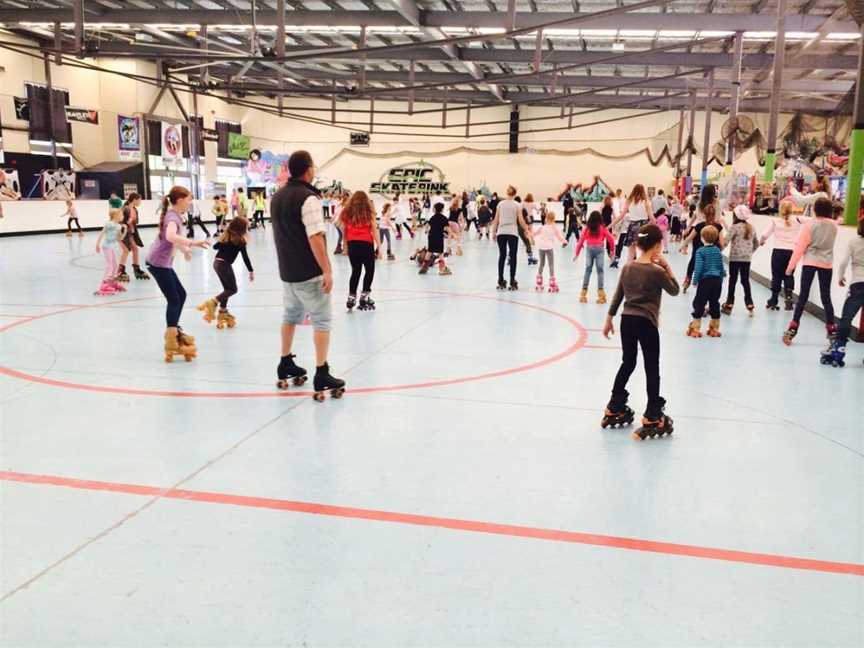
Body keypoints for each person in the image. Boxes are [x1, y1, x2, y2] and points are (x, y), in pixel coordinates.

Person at [271, 150, 345, 399]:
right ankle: (322, 372)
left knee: (290, 316)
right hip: (308, 273)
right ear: (308, 169)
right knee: (322, 320)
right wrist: (327, 270)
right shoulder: (309, 198)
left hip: (287, 272)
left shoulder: (277, 197)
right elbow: (315, 237)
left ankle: (285, 363)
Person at [601, 224, 679, 440]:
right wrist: (667, 266)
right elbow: (675, 290)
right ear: (657, 246)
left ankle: (614, 405)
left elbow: (618, 295)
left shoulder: (628, 267)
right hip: (647, 323)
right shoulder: (657, 271)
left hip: (627, 320)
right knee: (651, 367)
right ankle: (653, 414)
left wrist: (609, 319)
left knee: (628, 362)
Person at [146, 186, 210, 362]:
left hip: (162, 263)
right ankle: (171, 339)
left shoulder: (174, 216)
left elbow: (173, 240)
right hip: (158, 263)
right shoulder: (173, 217)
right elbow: (170, 236)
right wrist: (193, 243)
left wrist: (185, 250)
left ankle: (174, 330)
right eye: (189, 199)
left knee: (181, 294)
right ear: (180, 200)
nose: (190, 203)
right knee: (174, 299)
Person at [783, 197, 839, 345]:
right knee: (826, 297)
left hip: (810, 262)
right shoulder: (834, 226)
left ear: (815, 209)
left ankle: (793, 328)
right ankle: (832, 329)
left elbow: (800, 248)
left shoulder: (809, 225)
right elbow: (834, 222)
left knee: (803, 296)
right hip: (826, 264)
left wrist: (790, 267)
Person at [197, 217, 254, 330]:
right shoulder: (240, 241)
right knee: (233, 289)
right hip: (224, 265)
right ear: (241, 228)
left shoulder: (227, 237)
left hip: (217, 263)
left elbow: (215, 247)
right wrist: (251, 270)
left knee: (227, 289)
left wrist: (223, 239)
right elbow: (245, 257)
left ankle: (222, 312)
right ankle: (212, 302)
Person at [821, 218, 864, 367]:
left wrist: (841, 277)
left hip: (858, 284)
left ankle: (839, 349)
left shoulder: (854, 242)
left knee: (846, 318)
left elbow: (843, 262)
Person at [342, 190, 381, 311]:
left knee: (355, 271)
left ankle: (351, 297)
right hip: (366, 244)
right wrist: (379, 246)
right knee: (370, 270)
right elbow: (374, 230)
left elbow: (345, 231)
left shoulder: (346, 212)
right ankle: (364, 295)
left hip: (353, 244)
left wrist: (345, 246)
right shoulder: (368, 212)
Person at [760, 199, 802, 311]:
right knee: (789, 275)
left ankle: (774, 300)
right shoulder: (798, 221)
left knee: (776, 275)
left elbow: (764, 234)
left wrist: (761, 241)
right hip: (792, 252)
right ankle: (788, 298)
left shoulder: (776, 221)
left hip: (778, 252)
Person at [686, 225, 725, 338]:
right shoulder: (717, 250)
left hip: (705, 280)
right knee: (714, 302)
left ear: (702, 238)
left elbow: (698, 267)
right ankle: (714, 328)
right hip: (717, 280)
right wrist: (721, 276)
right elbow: (721, 266)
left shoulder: (700, 251)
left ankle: (695, 327)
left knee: (699, 302)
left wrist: (694, 280)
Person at [722, 206, 761, 316]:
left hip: (735, 258)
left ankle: (729, 304)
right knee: (745, 281)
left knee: (732, 281)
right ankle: (750, 304)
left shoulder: (734, 227)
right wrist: (749, 252)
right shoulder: (751, 227)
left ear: (735, 215)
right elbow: (756, 243)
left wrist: (718, 250)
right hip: (746, 259)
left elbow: (725, 241)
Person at [491, 185, 532, 290]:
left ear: (507, 192)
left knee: (502, 256)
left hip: (501, 232)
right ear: (515, 193)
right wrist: (527, 230)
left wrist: (493, 232)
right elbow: (521, 220)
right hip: (512, 232)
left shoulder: (500, 204)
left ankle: (500, 280)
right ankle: (512, 281)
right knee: (513, 256)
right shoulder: (517, 205)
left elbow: (496, 219)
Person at [680, 202, 726, 292]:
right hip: (712, 253)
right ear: (715, 214)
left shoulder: (699, 226)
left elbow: (689, 238)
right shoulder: (718, 227)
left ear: (704, 214)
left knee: (693, 263)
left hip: (698, 250)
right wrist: (718, 249)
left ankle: (687, 280)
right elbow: (722, 243)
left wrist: (682, 246)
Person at [574, 210, 616, 304]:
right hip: (599, 250)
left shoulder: (587, 229)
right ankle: (601, 295)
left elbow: (581, 241)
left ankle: (583, 294)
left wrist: (577, 253)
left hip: (589, 250)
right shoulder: (602, 228)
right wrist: (612, 251)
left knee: (588, 270)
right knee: (600, 271)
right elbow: (611, 240)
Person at [611, 184, 654, 266]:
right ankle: (643, 271)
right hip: (644, 227)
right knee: (644, 252)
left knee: (630, 254)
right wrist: (650, 225)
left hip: (633, 226)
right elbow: (652, 219)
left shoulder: (629, 201)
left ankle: (628, 271)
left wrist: (610, 225)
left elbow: (621, 216)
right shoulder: (646, 202)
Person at [94, 208, 127, 296]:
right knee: (110, 265)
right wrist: (97, 244)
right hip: (106, 247)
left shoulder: (118, 226)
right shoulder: (109, 224)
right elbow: (102, 233)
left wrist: (125, 230)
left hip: (111, 247)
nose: (122, 217)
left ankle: (111, 282)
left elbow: (120, 238)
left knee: (115, 265)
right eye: (121, 215)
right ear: (116, 216)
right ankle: (104, 284)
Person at [533, 209, 566, 292]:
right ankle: (552, 283)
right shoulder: (554, 228)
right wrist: (564, 241)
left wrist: (529, 234)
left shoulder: (542, 227)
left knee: (541, 264)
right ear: (554, 219)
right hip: (549, 248)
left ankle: (539, 281)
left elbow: (535, 234)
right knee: (551, 265)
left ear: (546, 218)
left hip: (541, 247)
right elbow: (559, 237)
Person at [117, 193, 149, 281]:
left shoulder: (134, 209)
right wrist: (128, 222)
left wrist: (132, 223)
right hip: (122, 233)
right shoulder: (125, 209)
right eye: (139, 200)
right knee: (126, 250)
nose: (140, 202)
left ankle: (136, 269)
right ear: (134, 199)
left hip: (130, 233)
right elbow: (119, 221)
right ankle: (120, 271)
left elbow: (135, 222)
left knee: (135, 249)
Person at [418, 202, 452, 275]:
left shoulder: (432, 217)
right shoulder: (444, 218)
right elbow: (448, 230)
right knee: (440, 253)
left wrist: (427, 231)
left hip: (431, 236)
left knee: (430, 251)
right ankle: (442, 269)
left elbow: (427, 227)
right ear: (442, 209)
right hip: (439, 236)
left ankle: (424, 267)